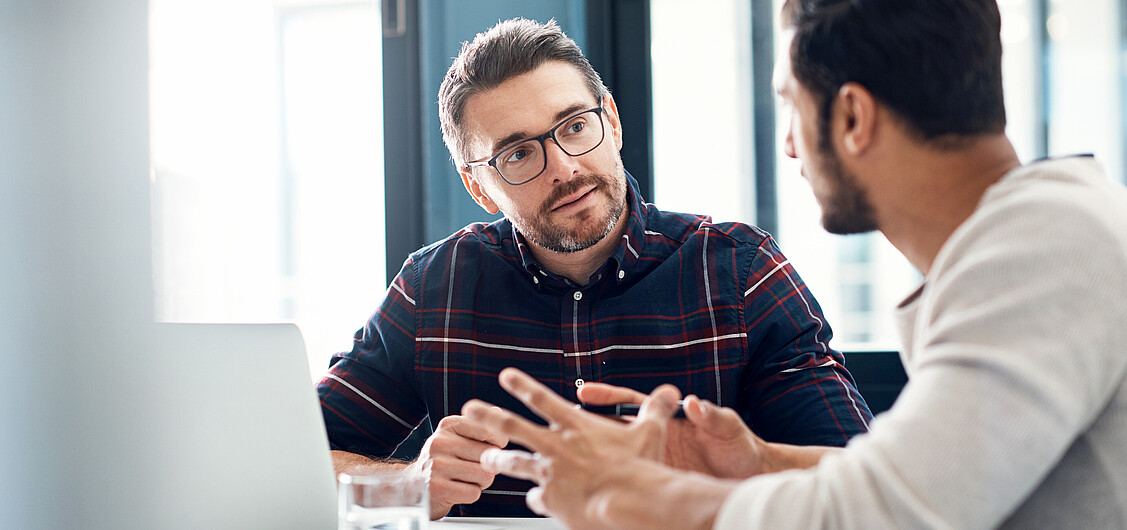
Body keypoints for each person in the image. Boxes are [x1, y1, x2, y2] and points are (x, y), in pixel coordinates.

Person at [462, 0, 1127, 528]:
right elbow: (920, 480)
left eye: (789, 103)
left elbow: (889, 516)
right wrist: (753, 461)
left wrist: (637, 500)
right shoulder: (1037, 239)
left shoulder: (1045, 247)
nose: (786, 145)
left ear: (852, 118)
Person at [316, 17, 872, 519]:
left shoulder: (741, 271)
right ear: (478, 187)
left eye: (575, 125)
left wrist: (744, 467)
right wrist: (407, 483)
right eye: (518, 154)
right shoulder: (432, 289)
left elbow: (862, 485)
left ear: (611, 119)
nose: (564, 166)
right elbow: (297, 459)